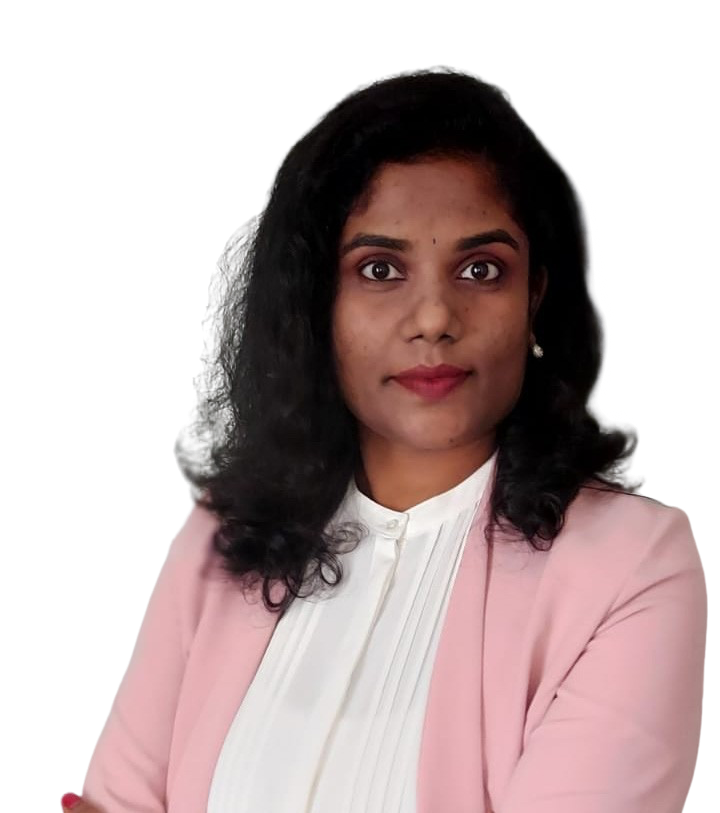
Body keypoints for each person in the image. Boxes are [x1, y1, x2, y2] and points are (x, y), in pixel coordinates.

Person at [59, 67, 708, 813]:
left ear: (534, 297)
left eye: (480, 269)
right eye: (379, 269)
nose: (433, 317)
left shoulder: (631, 568)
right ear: (320, 304)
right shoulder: (221, 538)